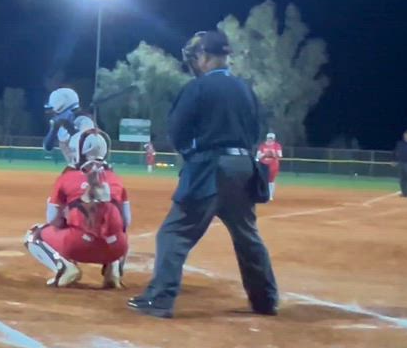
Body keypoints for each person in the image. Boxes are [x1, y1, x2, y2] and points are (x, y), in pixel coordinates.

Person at [129, 30, 278, 319]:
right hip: (243, 167)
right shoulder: (245, 89)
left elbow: (177, 132)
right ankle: (266, 300)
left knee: (175, 233)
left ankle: (160, 300)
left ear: (205, 56)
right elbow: (255, 132)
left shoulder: (197, 88)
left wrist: (193, 154)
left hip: (210, 168)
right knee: (247, 236)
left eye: (197, 57)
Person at [24, 127, 131, 289]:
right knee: (118, 230)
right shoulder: (117, 179)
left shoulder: (67, 177)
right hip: (116, 248)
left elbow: (53, 220)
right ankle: (113, 269)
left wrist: (70, 217)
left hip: (78, 245)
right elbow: (126, 222)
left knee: (33, 235)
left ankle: (63, 268)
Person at [256, 132, 283, 201]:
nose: (270, 139)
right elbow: (258, 156)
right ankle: (262, 194)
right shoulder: (262, 145)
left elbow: (280, 155)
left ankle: (270, 195)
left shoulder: (277, 145)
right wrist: (264, 154)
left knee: (271, 180)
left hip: (273, 165)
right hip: (263, 164)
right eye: (269, 138)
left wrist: (273, 154)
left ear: (274, 139)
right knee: (263, 179)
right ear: (266, 138)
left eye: (271, 138)